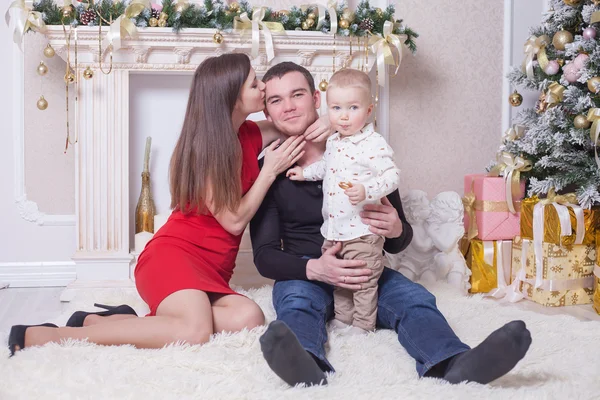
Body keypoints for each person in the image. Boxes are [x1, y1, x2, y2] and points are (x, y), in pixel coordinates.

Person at [7, 53, 326, 355]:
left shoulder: (251, 132)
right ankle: (52, 335)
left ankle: (108, 321)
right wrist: (268, 171)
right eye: (255, 84)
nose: (264, 88)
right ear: (233, 96)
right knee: (194, 331)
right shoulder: (207, 151)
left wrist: (331, 122)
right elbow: (233, 221)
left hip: (213, 268)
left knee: (248, 317)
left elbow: (295, 124)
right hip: (174, 255)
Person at [250, 62, 532, 387]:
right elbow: (265, 256)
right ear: (267, 113)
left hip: (365, 267)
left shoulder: (365, 148)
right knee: (296, 304)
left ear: (317, 98)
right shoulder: (270, 168)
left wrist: (396, 227)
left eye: (297, 94)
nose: (288, 106)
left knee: (413, 299)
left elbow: (400, 240)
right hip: (306, 270)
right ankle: (304, 366)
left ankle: (455, 362)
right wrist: (316, 269)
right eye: (276, 100)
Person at [286, 68, 400, 334]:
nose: (344, 116)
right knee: (341, 278)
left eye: (353, 107)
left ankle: (362, 325)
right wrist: (304, 174)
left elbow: (392, 175)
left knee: (362, 279)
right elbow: (327, 167)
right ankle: (343, 318)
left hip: (362, 231)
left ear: (369, 110)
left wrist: (367, 190)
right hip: (336, 229)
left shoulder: (373, 143)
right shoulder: (335, 141)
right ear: (328, 110)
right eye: (337, 108)